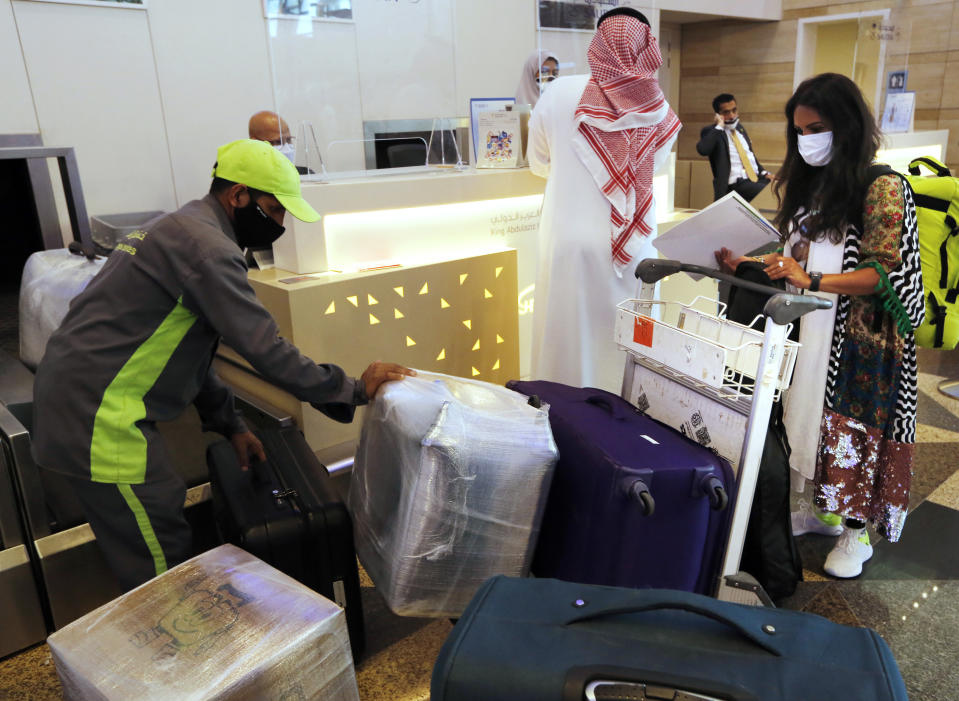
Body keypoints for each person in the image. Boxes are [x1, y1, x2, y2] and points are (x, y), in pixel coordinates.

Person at [31, 139, 414, 591]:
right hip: (97, 415)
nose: (281, 224)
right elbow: (265, 348)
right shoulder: (208, 249)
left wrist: (230, 424)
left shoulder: (180, 228)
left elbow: (190, 351)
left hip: (83, 398)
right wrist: (353, 389)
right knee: (161, 564)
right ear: (238, 195)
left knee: (160, 527)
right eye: (274, 210)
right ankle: (177, 653)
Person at [716, 73, 924, 578]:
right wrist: (749, 262)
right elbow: (794, 255)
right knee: (807, 418)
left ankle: (858, 534)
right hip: (811, 332)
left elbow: (882, 272)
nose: (807, 139)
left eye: (817, 127)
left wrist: (812, 278)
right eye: (799, 130)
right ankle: (824, 511)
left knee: (853, 430)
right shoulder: (810, 186)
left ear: (847, 126)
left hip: (861, 342)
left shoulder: (883, 188)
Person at [527, 8, 680, 392]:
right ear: (648, 47)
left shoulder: (558, 92)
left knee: (564, 345)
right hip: (635, 249)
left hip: (566, 241)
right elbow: (652, 170)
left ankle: (563, 428)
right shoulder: (656, 107)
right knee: (631, 349)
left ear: (596, 41)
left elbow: (539, 164)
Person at [696, 93, 773, 202]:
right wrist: (719, 126)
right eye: (726, 112)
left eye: (734, 110)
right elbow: (702, 150)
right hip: (736, 185)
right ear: (718, 114)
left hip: (755, 180)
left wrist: (765, 174)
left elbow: (749, 156)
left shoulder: (740, 129)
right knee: (769, 193)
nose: (732, 116)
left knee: (781, 188)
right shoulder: (713, 131)